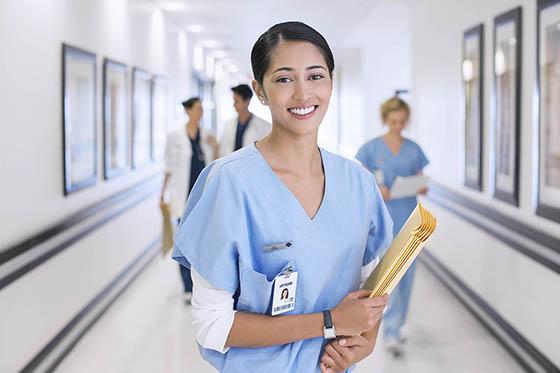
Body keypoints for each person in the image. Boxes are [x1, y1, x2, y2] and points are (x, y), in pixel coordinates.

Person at [172, 22, 393, 373]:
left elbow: (374, 288)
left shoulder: (358, 184)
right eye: (285, 79)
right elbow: (211, 325)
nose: (304, 94)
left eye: (316, 76)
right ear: (260, 90)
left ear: (331, 83)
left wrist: (362, 345)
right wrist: (330, 321)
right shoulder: (229, 183)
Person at [355, 96, 429, 357]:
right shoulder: (371, 149)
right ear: (385, 120)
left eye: (402, 121)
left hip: (410, 222)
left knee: (405, 278)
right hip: (381, 224)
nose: (398, 126)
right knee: (382, 279)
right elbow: (360, 178)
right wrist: (377, 187)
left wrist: (420, 185)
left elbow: (422, 179)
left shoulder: (414, 149)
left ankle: (394, 330)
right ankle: (370, 327)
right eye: (393, 121)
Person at [161, 97, 218, 305]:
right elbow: (168, 168)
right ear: (188, 111)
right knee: (183, 244)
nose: (200, 113)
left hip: (202, 199)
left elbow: (216, 164)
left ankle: (201, 284)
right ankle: (187, 286)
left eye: (202, 109)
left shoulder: (207, 136)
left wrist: (216, 145)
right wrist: (162, 194)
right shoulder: (174, 137)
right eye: (197, 109)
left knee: (202, 244)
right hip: (182, 199)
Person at [219, 84, 271, 156]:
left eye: (237, 101)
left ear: (247, 101)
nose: (234, 105)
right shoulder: (228, 125)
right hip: (231, 165)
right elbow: (223, 149)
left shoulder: (264, 127)